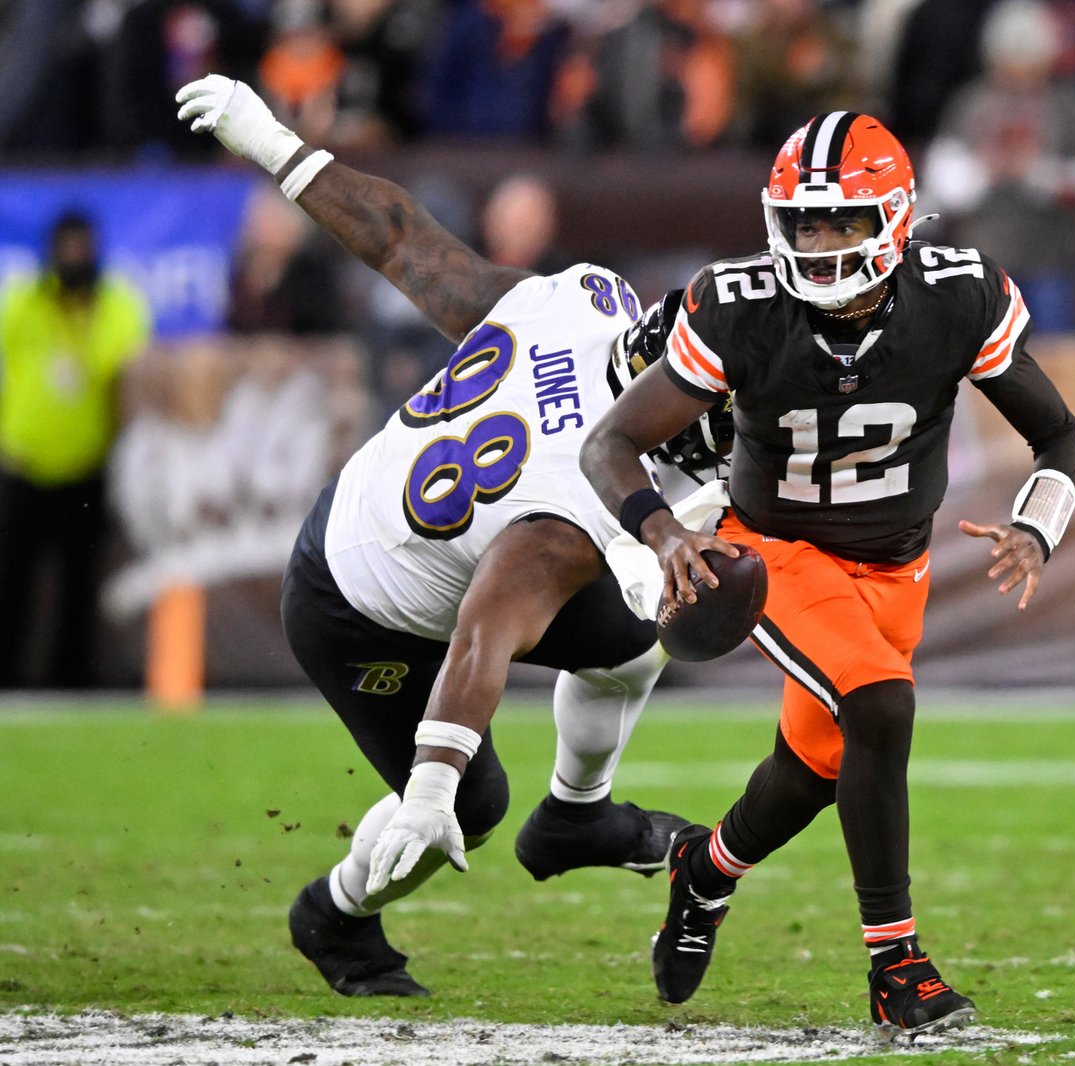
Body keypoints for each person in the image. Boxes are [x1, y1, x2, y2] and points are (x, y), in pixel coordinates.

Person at [176, 73, 729, 997]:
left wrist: (274, 143)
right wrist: (432, 783)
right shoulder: (578, 498)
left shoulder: (587, 301)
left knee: (636, 640)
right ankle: (335, 916)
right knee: (470, 805)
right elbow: (485, 630)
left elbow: (403, 242)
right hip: (355, 602)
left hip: (438, 526)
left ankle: (577, 818)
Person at [579, 112, 1075, 1037]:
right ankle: (897, 964)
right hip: (775, 552)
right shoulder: (738, 306)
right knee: (882, 702)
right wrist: (659, 533)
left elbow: (1058, 434)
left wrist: (1037, 528)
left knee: (815, 767)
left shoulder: (958, 296)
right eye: (804, 223)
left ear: (894, 218)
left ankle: (705, 870)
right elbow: (611, 442)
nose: (818, 243)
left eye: (841, 222)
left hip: (897, 564)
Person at [0, 210, 151, 688]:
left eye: (82, 249)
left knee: (79, 584)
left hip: (87, 464)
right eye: (67, 249)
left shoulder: (116, 302)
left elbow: (123, 361)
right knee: (11, 581)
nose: (74, 259)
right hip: (21, 463)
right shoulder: (23, 301)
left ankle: (70, 682)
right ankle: (8, 677)